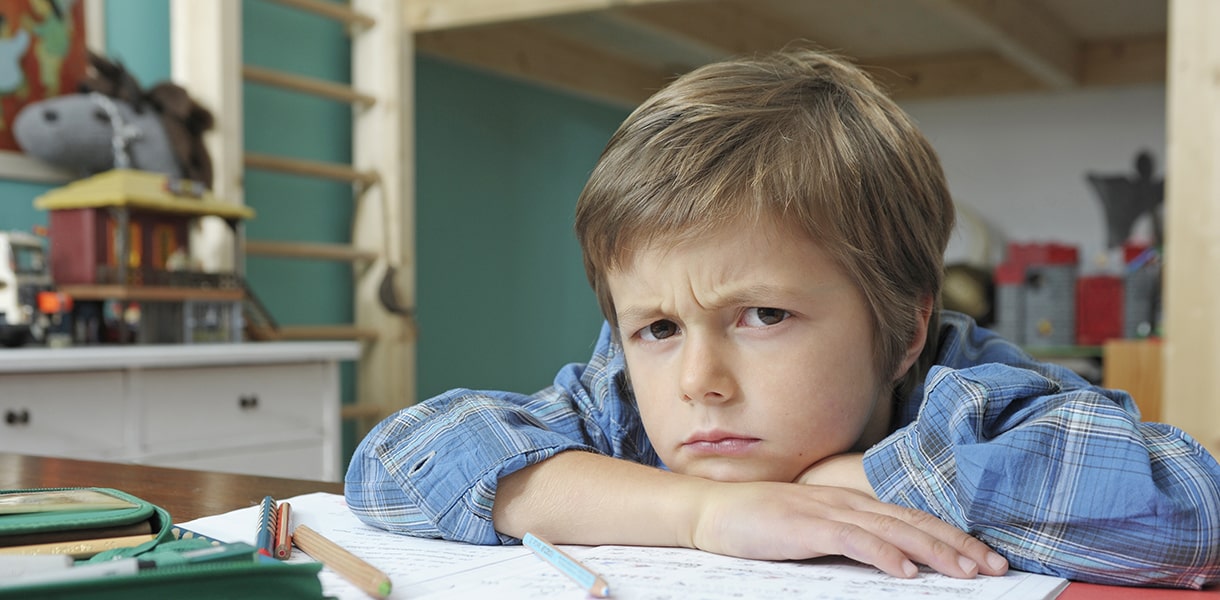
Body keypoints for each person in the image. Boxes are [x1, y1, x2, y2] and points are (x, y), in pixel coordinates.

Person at [345, 48, 1220, 588]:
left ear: (906, 328)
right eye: (658, 328)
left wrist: (856, 479)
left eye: (763, 314)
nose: (698, 382)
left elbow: (1193, 512)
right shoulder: (621, 399)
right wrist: (698, 516)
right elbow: (397, 459)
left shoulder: (968, 390)